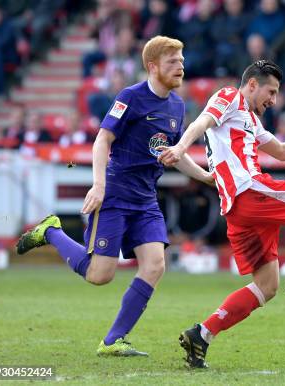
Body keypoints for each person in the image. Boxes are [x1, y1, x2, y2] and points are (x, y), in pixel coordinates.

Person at [15, 36, 213, 357]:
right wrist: (99, 185)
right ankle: (51, 230)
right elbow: (102, 140)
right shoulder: (130, 97)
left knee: (154, 266)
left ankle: (113, 341)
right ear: (152, 67)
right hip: (116, 194)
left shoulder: (177, 106)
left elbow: (175, 153)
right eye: (172, 62)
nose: (181, 67)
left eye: (181, 60)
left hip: (146, 198)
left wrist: (205, 176)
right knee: (99, 275)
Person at [157, 60, 285, 369]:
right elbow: (201, 123)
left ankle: (202, 334)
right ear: (252, 84)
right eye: (271, 91)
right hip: (251, 190)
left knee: (267, 286)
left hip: (238, 211)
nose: (273, 100)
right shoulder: (229, 97)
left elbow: (282, 151)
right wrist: (181, 147)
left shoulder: (249, 118)